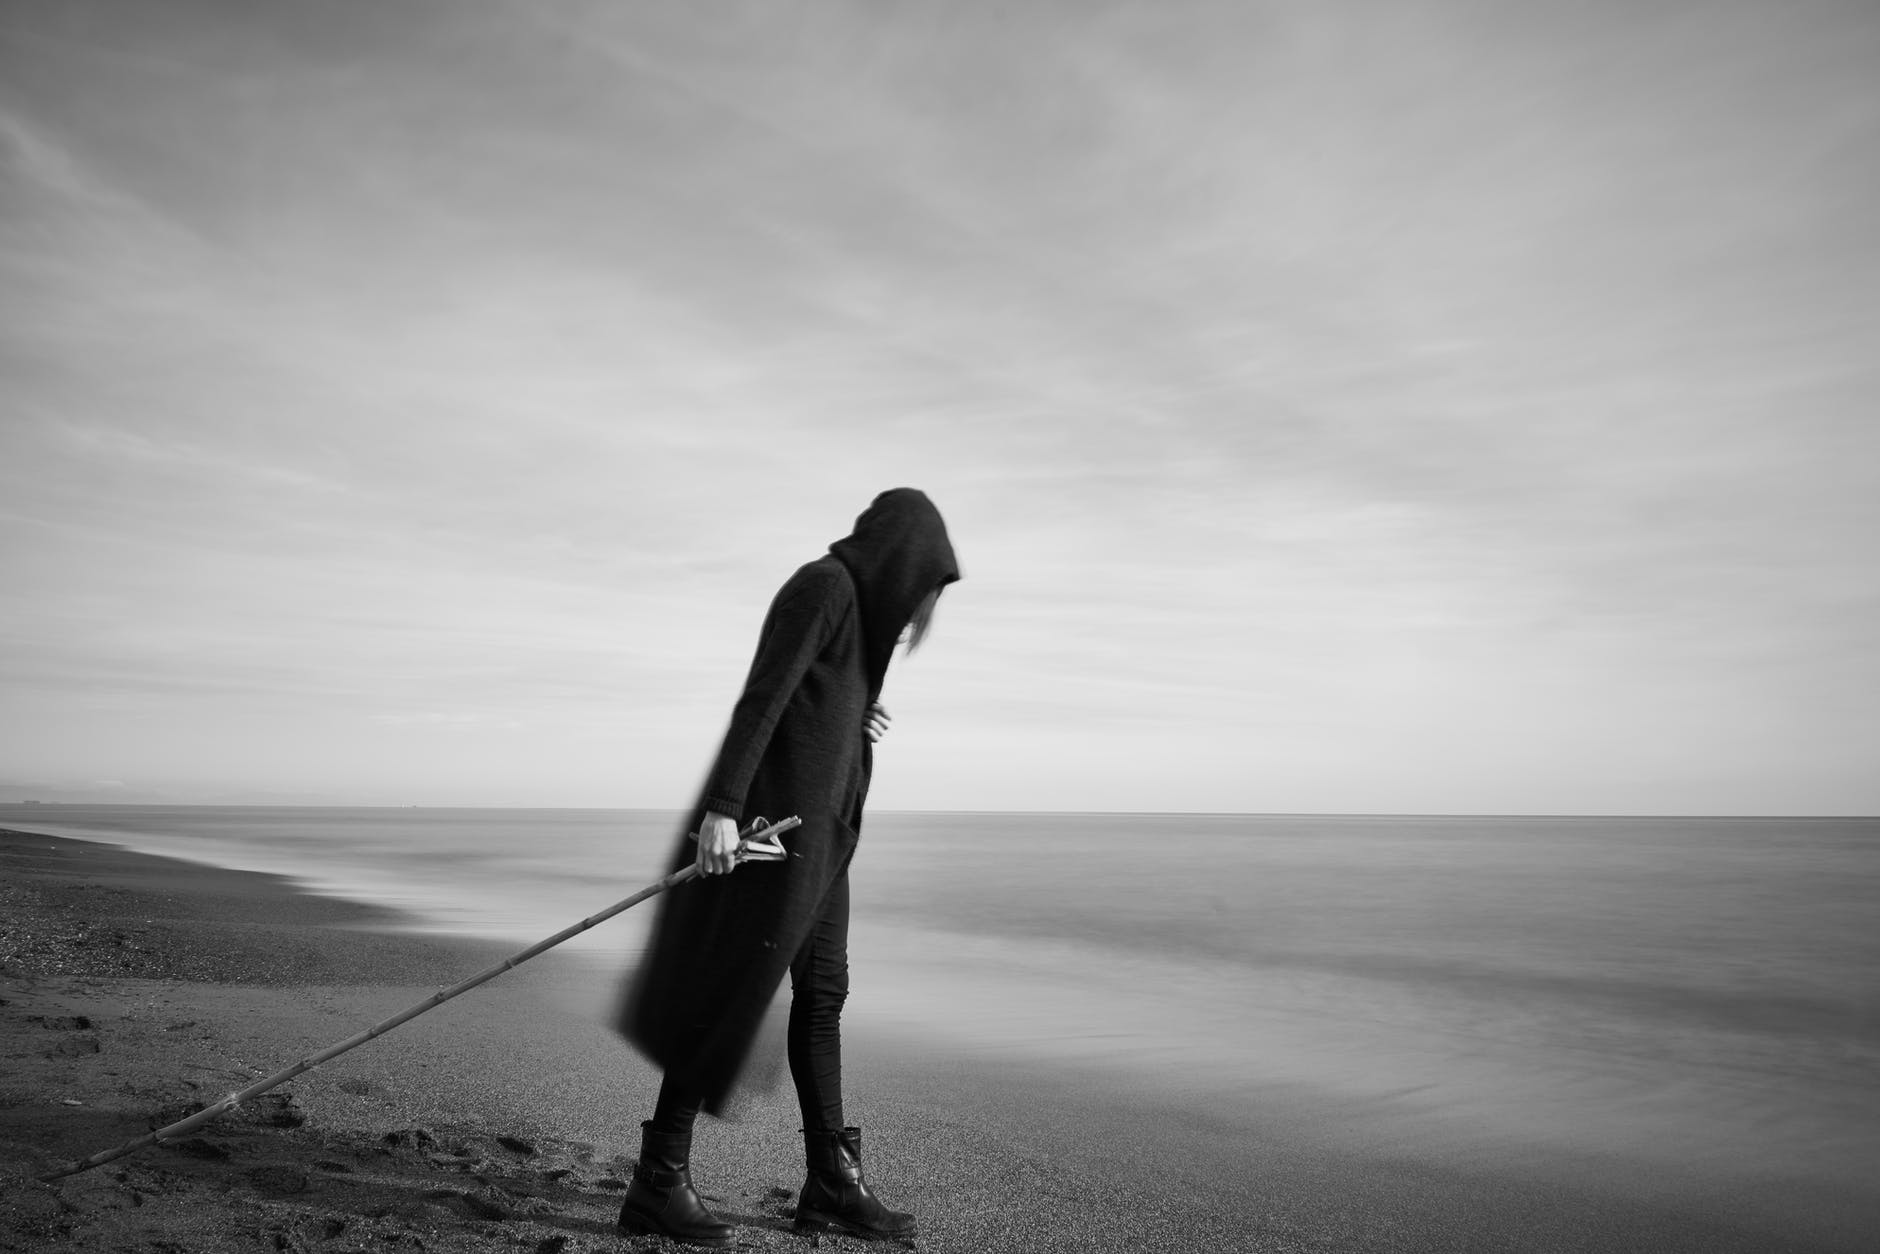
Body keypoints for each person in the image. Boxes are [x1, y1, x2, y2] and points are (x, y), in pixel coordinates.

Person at [615, 487, 960, 1247]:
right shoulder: (825, 587)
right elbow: (764, 699)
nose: (915, 616)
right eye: (919, 596)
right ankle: (658, 1182)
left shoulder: (863, 626)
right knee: (728, 990)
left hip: (826, 840)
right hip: (772, 831)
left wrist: (853, 718)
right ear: (899, 563)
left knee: (824, 994)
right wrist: (722, 808)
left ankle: (831, 1182)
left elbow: (816, 707)